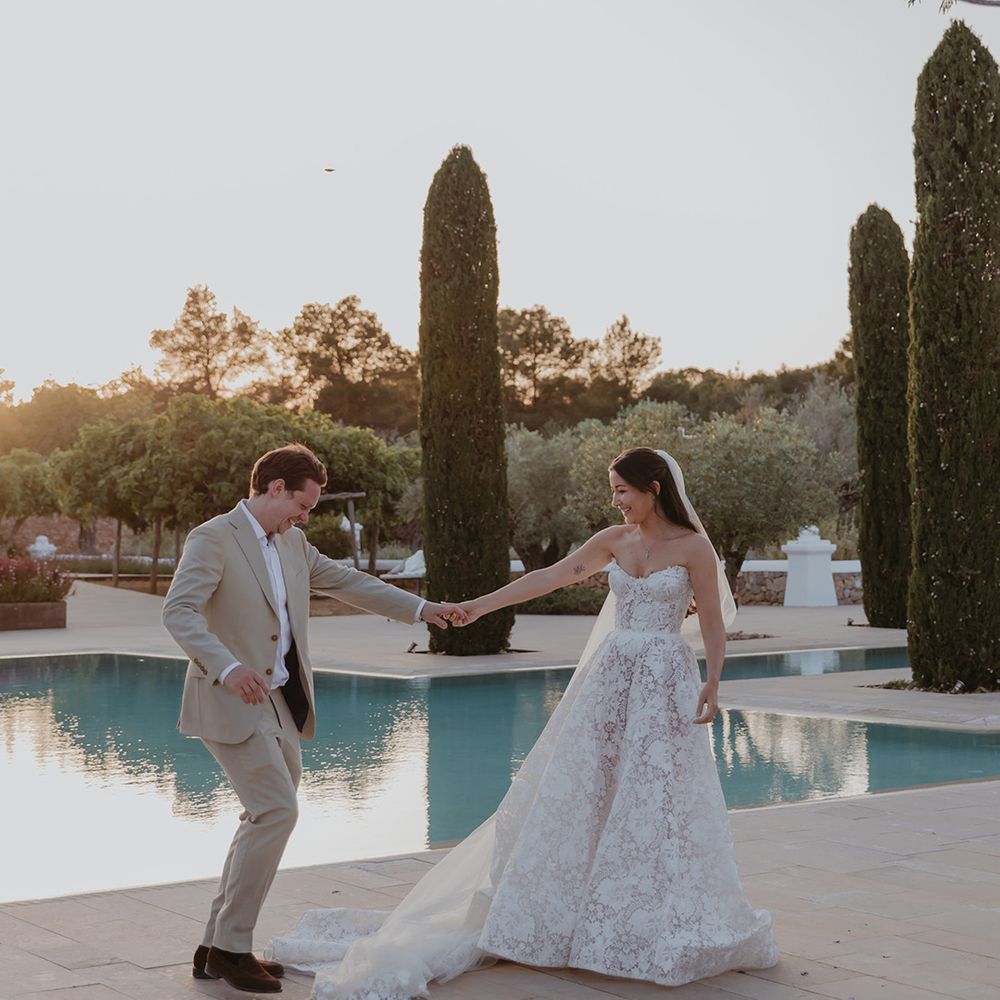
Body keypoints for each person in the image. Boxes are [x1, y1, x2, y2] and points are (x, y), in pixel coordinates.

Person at [269, 447, 778, 998]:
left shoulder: (694, 547)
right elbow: (547, 578)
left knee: (656, 795)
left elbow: (711, 620)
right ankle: (574, 914)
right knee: (588, 786)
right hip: (611, 677)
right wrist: (479, 606)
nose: (615, 500)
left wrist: (713, 681)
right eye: (612, 490)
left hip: (663, 679)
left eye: (622, 490)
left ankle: (645, 919)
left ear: (653, 488)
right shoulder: (614, 540)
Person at [162, 443, 467, 995]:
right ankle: (231, 948)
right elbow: (178, 610)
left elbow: (350, 582)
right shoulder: (213, 537)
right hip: (230, 698)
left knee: (263, 818)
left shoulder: (293, 543)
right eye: (302, 505)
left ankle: (213, 946)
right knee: (276, 812)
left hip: (281, 702)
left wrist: (424, 609)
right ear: (276, 487)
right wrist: (228, 667)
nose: (305, 517)